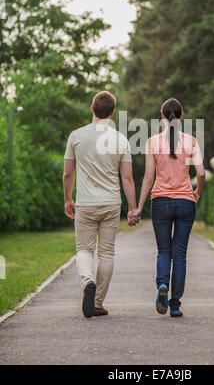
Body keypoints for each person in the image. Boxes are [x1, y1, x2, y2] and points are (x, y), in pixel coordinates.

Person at [63, 91, 138, 318]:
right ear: (112, 112)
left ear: (91, 108)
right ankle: (96, 303)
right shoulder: (121, 140)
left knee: (85, 248)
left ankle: (87, 282)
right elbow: (127, 178)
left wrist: (68, 199)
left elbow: (68, 173)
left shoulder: (76, 136)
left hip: (85, 203)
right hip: (111, 203)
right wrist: (133, 208)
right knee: (106, 253)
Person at [134, 98, 205, 317]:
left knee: (164, 251)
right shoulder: (191, 141)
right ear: (181, 117)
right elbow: (201, 173)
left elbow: (148, 177)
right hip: (185, 202)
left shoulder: (152, 142)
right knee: (180, 254)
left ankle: (162, 285)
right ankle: (175, 305)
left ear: (162, 116)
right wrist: (197, 193)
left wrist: (138, 207)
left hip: (161, 202)